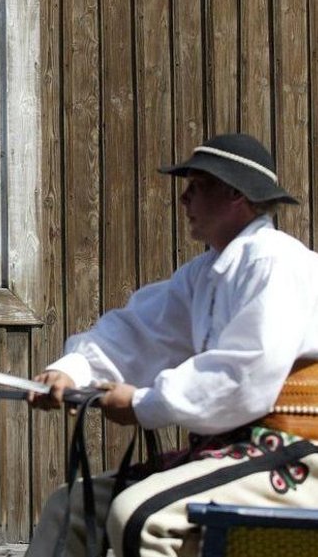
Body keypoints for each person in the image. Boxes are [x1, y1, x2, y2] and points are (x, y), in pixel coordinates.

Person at [26, 133, 318, 557]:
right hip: (232, 453)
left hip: (298, 455)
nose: (184, 198)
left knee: (141, 516)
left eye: (197, 186)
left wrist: (143, 403)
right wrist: (73, 371)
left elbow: (242, 376)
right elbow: (139, 331)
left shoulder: (276, 262)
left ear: (236, 193)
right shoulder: (205, 274)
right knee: (70, 507)